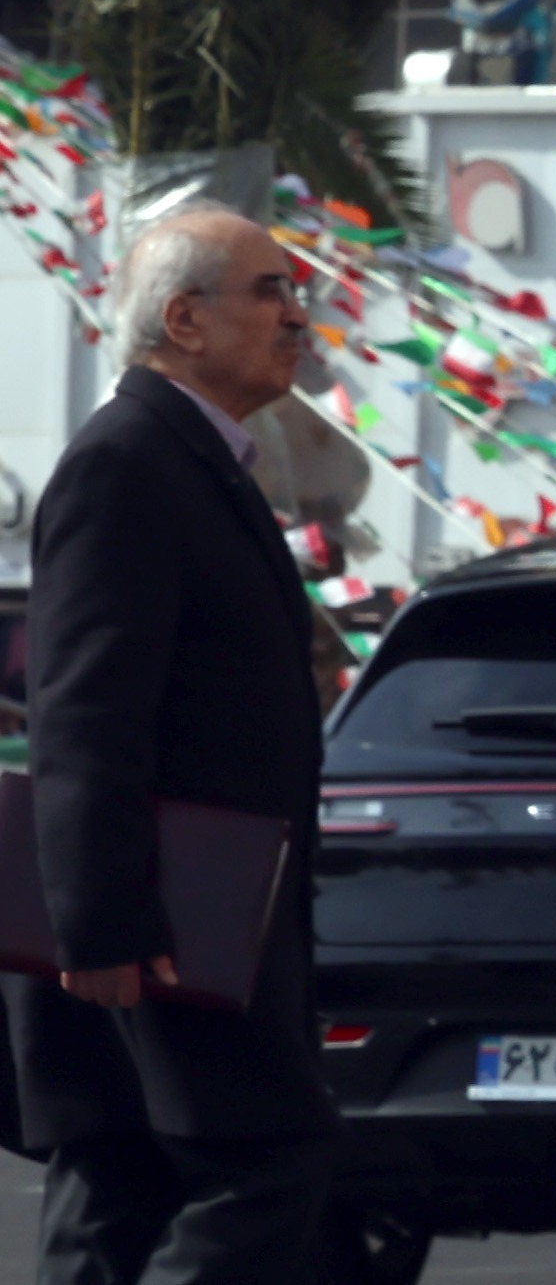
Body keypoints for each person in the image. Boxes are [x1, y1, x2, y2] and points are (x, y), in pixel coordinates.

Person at [7, 206, 339, 1285]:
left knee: (122, 1181)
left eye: (297, 291)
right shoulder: (131, 460)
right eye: (270, 290)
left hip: (190, 907)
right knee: (264, 1165)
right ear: (185, 317)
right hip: (162, 914)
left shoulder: (199, 457)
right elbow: (86, 709)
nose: (298, 314)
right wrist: (100, 921)